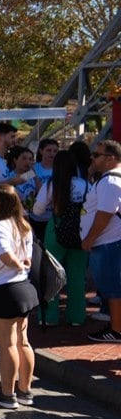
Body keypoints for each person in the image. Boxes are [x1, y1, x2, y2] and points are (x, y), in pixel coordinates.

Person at [0, 184, 39, 409]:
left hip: (2, 290)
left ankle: (7, 395)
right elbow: (28, 259)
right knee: (23, 341)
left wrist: (15, 264)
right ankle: (25, 391)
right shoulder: (23, 226)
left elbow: (7, 256)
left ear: (1, 203)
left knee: (7, 344)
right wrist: (21, 266)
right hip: (23, 289)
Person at [32, 150, 89, 326]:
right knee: (77, 276)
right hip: (80, 231)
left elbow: (37, 211)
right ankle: (76, 317)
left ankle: (49, 317)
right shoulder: (86, 185)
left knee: (51, 275)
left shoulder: (51, 185)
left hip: (56, 229)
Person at [83, 140, 121, 342]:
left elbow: (105, 213)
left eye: (96, 155)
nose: (92, 158)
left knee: (114, 289)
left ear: (110, 158)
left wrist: (90, 238)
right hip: (110, 242)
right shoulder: (110, 179)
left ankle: (116, 330)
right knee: (113, 288)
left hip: (109, 243)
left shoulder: (110, 181)